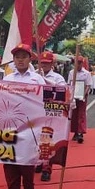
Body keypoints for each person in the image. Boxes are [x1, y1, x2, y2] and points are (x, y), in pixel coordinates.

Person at [0, 43, 45, 189]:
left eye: (24, 57)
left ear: (30, 58)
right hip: (10, 126)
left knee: (26, 163)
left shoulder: (37, 79)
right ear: (14, 60)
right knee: (9, 162)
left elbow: (49, 99)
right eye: (17, 57)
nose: (21, 60)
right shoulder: (8, 78)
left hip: (31, 127)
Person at [35, 51, 66, 181]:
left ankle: (47, 169)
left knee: (47, 141)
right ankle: (38, 162)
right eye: (42, 63)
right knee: (35, 139)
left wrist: (47, 81)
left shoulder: (58, 78)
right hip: (35, 112)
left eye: (47, 63)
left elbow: (64, 91)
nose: (44, 66)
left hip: (50, 112)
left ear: (52, 64)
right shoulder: (33, 75)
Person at [67, 56, 93, 144]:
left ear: (82, 63)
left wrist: (83, 95)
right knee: (73, 114)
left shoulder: (86, 73)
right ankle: (75, 132)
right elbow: (69, 84)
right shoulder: (71, 73)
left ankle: (80, 132)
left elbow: (88, 85)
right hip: (73, 96)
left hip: (82, 96)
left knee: (81, 114)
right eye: (76, 63)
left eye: (79, 63)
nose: (78, 65)